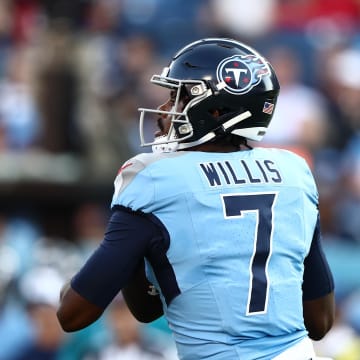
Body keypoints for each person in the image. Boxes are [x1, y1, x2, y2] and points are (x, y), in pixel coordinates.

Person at [56, 38, 335, 360]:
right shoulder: (293, 171)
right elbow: (320, 321)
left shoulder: (156, 179)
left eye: (177, 97)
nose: (164, 109)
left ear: (215, 110)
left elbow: (73, 314)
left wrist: (123, 241)